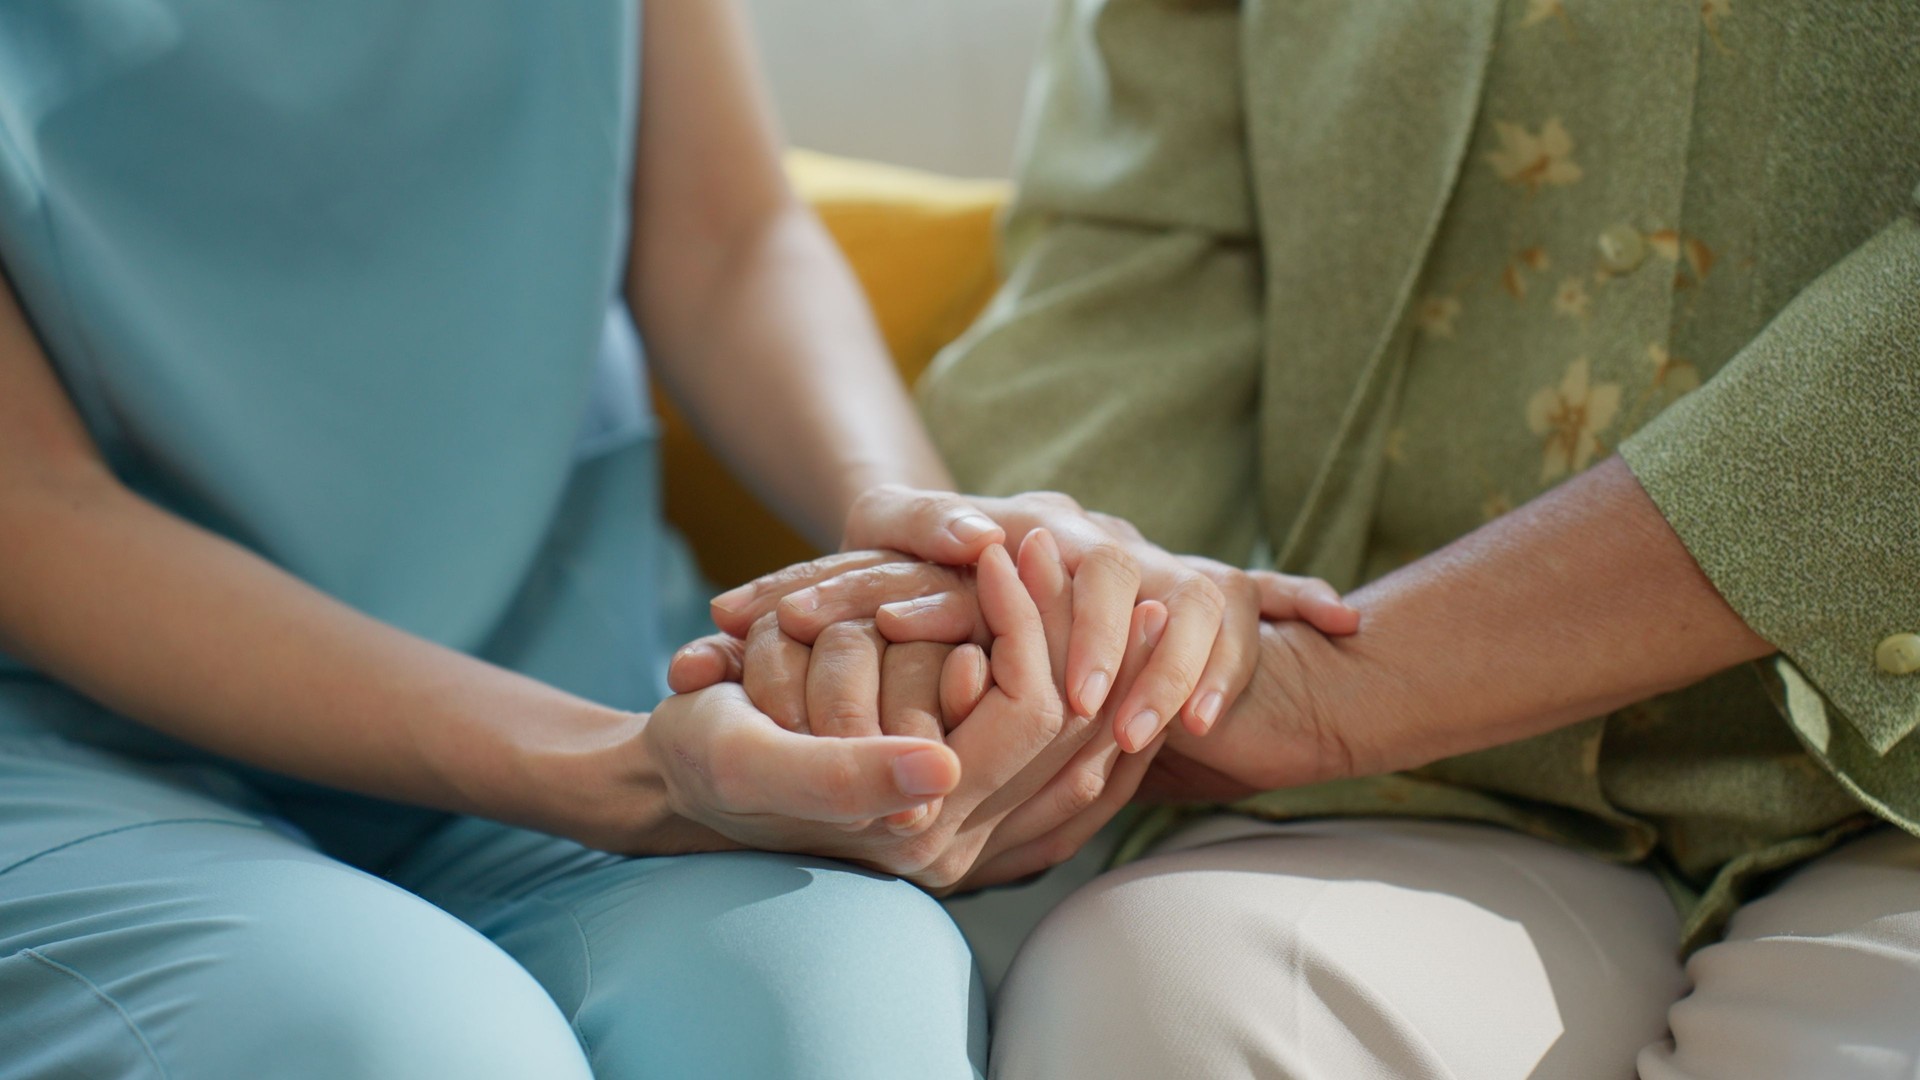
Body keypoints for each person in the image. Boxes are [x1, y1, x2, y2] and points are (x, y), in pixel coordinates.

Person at [0, 2, 1330, 1076]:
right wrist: (624, 776)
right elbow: (41, 508)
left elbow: (728, 238)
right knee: (411, 1049)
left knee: (836, 1005)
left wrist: (931, 546)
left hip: (583, 655)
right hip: (89, 756)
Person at [698, 1, 1920, 1076]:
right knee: (1168, 1000)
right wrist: (1021, 634)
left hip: (1889, 806)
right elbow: (1136, 269)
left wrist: (1345, 684)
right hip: (1435, 797)